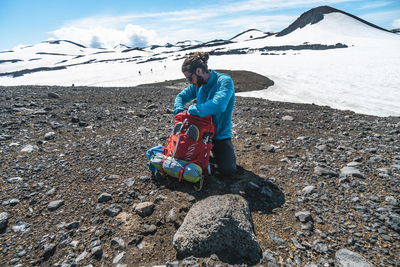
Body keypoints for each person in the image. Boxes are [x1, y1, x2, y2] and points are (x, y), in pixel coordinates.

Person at [174, 52, 236, 176]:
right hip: (200, 133)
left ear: (198, 71)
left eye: (189, 78)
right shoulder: (198, 85)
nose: (189, 82)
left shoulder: (224, 81)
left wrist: (193, 109)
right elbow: (181, 97)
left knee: (228, 170)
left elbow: (218, 105)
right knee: (181, 156)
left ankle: (208, 160)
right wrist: (179, 110)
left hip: (220, 136)